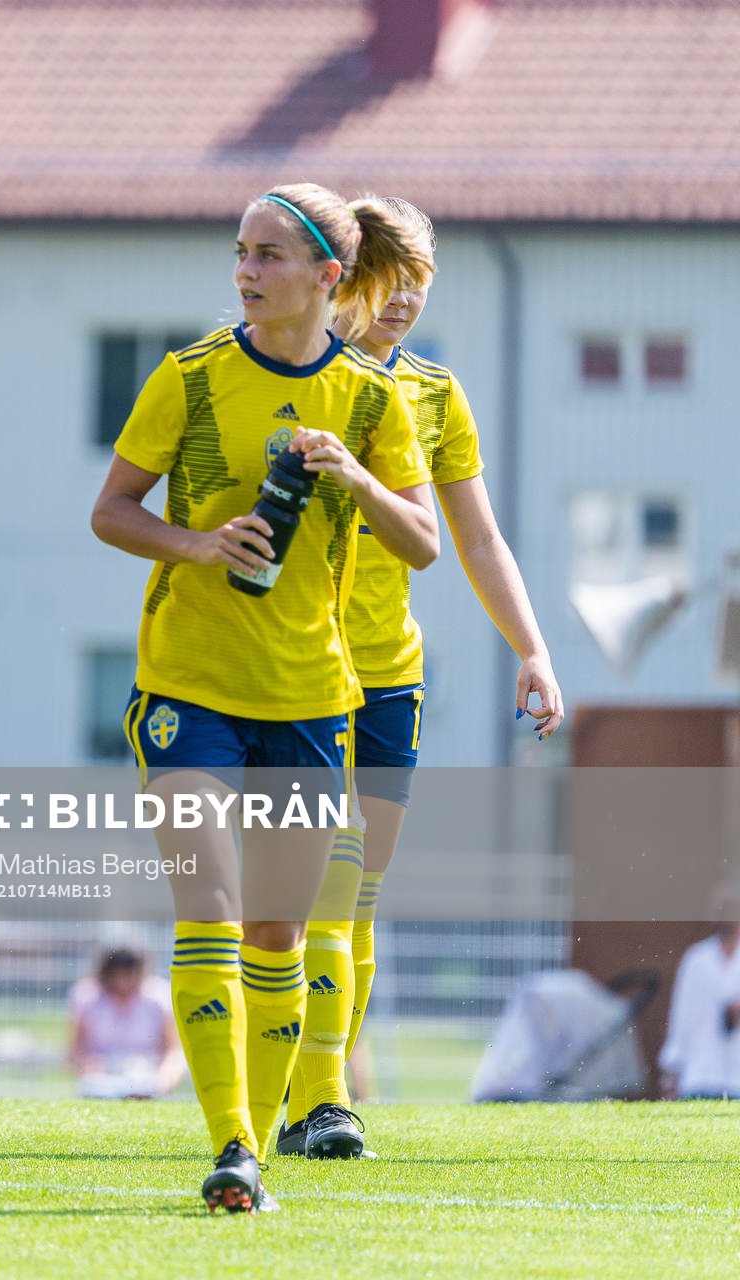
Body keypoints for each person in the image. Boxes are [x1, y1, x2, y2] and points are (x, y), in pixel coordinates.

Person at [89, 182, 437, 1212]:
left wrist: (354, 478)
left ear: (330, 275)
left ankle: (266, 1127)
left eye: (271, 255)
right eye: (241, 251)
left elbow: (421, 542)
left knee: (279, 934)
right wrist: (198, 541)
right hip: (187, 683)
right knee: (210, 910)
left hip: (310, 695)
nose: (247, 270)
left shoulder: (371, 400)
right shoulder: (189, 377)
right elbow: (111, 509)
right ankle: (234, 1143)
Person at [277, 195, 566, 1160]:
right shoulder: (295, 373)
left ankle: (322, 1092)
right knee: (312, 886)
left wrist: (532, 647)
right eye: (385, 282)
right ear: (343, 278)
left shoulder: (435, 393)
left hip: (388, 675)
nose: (403, 302)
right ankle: (311, 1091)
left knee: (357, 893)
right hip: (289, 669)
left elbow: (477, 536)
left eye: (421, 284)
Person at [658, 881, 740, 1100]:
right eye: (718, 910)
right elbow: (680, 1019)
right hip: (699, 1077)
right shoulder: (695, 960)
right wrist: (671, 1072)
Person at [68, 948, 184, 1100]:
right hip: (102, 1078)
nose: (122, 984)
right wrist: (88, 1067)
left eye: (129, 976)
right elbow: (73, 1054)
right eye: (116, 977)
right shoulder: (87, 995)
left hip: (147, 1074)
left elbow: (173, 1053)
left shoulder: (159, 996)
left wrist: (163, 1081)